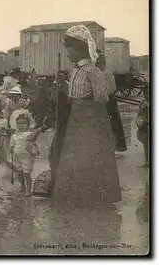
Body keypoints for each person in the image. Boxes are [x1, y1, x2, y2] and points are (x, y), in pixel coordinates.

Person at [54, 24, 121, 207]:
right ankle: (76, 195)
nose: (67, 53)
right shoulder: (75, 70)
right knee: (74, 156)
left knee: (89, 156)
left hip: (91, 121)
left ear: (81, 50)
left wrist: (84, 104)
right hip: (76, 119)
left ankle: (94, 198)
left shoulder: (93, 71)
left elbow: (101, 97)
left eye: (70, 49)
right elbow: (72, 94)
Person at [96, 53, 127, 153]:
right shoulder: (98, 74)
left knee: (113, 124)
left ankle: (115, 147)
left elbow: (111, 89)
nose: (97, 65)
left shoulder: (107, 74)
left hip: (108, 101)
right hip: (102, 100)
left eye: (98, 63)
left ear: (103, 63)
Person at [9, 110, 40, 197]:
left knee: (27, 174)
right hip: (17, 157)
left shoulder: (30, 134)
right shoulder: (14, 136)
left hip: (26, 157)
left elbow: (33, 144)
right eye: (19, 123)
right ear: (16, 124)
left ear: (28, 124)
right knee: (19, 173)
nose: (21, 125)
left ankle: (28, 189)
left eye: (23, 123)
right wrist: (11, 149)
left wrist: (34, 150)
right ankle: (22, 186)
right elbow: (12, 145)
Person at [136, 83, 149, 168]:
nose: (146, 95)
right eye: (145, 93)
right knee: (146, 143)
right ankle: (148, 161)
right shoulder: (144, 103)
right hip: (146, 125)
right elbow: (140, 115)